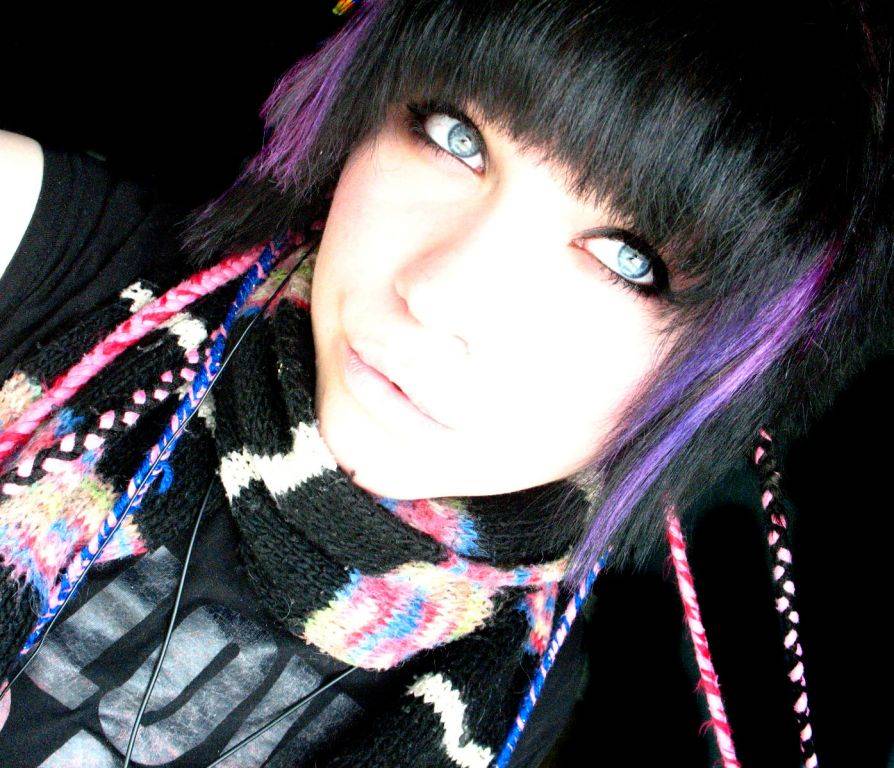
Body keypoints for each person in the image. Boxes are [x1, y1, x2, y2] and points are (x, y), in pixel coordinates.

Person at [0, 1, 891, 766]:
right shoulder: (78, 272)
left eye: (628, 258)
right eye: (454, 137)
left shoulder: (517, 691)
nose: (438, 296)